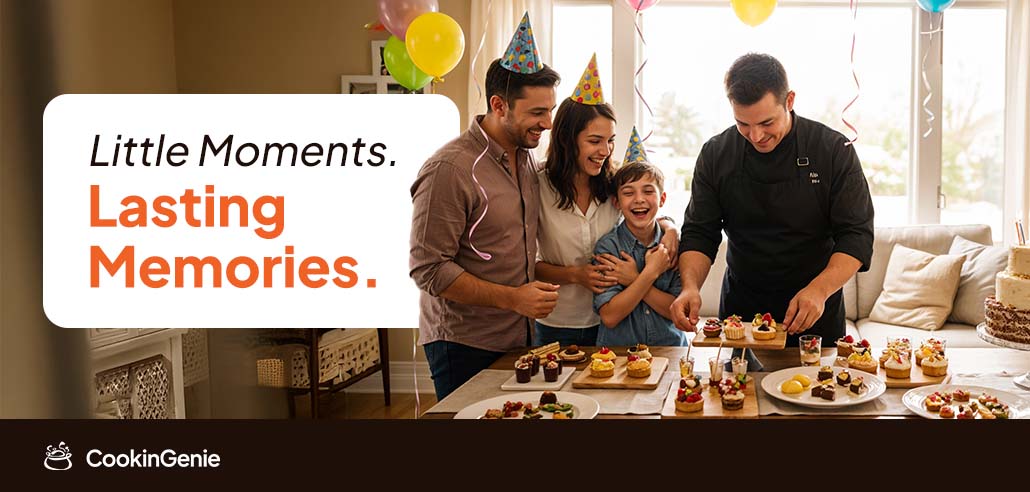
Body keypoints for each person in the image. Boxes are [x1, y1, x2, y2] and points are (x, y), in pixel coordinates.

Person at [669, 53, 874, 367]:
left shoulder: (832, 150)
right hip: (742, 316)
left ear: (789, 100)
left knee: (817, 407)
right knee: (740, 403)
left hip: (815, 311)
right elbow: (699, 232)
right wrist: (690, 287)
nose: (756, 136)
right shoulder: (716, 154)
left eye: (767, 123)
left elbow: (856, 235)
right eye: (743, 124)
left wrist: (819, 290)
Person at [409, 14, 562, 400]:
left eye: (550, 111)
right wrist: (513, 298)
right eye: (537, 112)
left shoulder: (526, 159)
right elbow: (428, 269)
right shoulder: (450, 169)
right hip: (464, 342)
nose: (547, 123)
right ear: (499, 105)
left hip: (519, 336)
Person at [534, 55, 678, 347]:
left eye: (610, 140)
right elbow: (525, 263)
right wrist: (576, 275)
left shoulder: (613, 184)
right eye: (595, 140)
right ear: (567, 139)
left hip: (614, 326)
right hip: (558, 321)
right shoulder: (537, 185)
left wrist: (671, 227)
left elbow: (645, 210)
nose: (605, 150)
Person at [592, 150, 687, 347]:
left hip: (669, 349)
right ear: (616, 202)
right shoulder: (609, 247)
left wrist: (636, 279)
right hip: (618, 355)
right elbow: (610, 316)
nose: (639, 199)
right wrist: (651, 272)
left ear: (662, 199)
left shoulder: (674, 246)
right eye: (628, 192)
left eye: (648, 191)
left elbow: (678, 312)